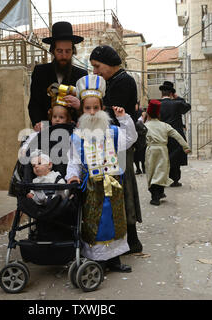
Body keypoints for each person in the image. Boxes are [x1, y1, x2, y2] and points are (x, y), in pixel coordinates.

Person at [66, 74, 138, 272]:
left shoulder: (113, 132)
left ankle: (114, 259)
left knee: (116, 220)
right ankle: (97, 260)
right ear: (81, 110)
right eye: (87, 108)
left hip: (113, 185)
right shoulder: (78, 136)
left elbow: (131, 138)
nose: (92, 112)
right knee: (94, 222)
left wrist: (124, 119)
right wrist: (72, 175)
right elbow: (74, 160)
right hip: (92, 187)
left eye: (95, 108)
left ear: (102, 108)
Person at [89, 45, 143, 254]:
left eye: (97, 66)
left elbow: (111, 114)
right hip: (113, 144)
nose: (95, 71)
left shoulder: (123, 81)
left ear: (109, 64)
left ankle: (132, 239)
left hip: (120, 144)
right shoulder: (113, 81)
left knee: (123, 187)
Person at [28, 21, 88, 132]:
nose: (64, 56)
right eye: (60, 51)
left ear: (73, 51)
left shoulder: (82, 75)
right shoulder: (40, 72)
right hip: (46, 131)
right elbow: (34, 104)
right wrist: (40, 125)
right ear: (52, 51)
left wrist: (79, 106)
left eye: (68, 51)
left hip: (74, 132)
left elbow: (87, 106)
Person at [144, 100, 191, 206]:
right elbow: (177, 135)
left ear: (148, 113)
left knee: (151, 172)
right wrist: (186, 147)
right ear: (159, 114)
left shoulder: (146, 126)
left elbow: (138, 138)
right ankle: (159, 193)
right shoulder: (165, 126)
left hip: (150, 150)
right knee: (161, 172)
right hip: (163, 151)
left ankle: (155, 196)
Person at [159, 81, 191, 187]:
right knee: (176, 158)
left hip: (162, 134)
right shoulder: (177, 103)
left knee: (164, 157)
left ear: (162, 93)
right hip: (176, 134)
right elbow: (187, 106)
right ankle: (175, 180)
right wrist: (178, 98)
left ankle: (165, 179)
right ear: (172, 93)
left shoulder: (157, 104)